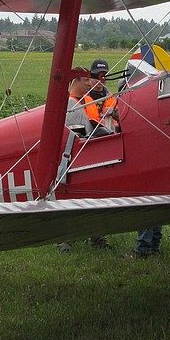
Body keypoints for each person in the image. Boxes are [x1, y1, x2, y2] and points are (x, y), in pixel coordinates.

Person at [59, 65, 111, 251]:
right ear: (75, 82)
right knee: (70, 199)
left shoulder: (85, 102)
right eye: (85, 79)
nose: (90, 82)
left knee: (94, 197)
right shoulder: (69, 105)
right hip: (71, 159)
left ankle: (96, 237)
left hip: (88, 155)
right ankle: (65, 239)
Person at [85, 58, 119, 132]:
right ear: (90, 75)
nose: (101, 79)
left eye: (104, 76)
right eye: (98, 75)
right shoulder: (82, 97)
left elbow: (119, 124)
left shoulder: (112, 98)